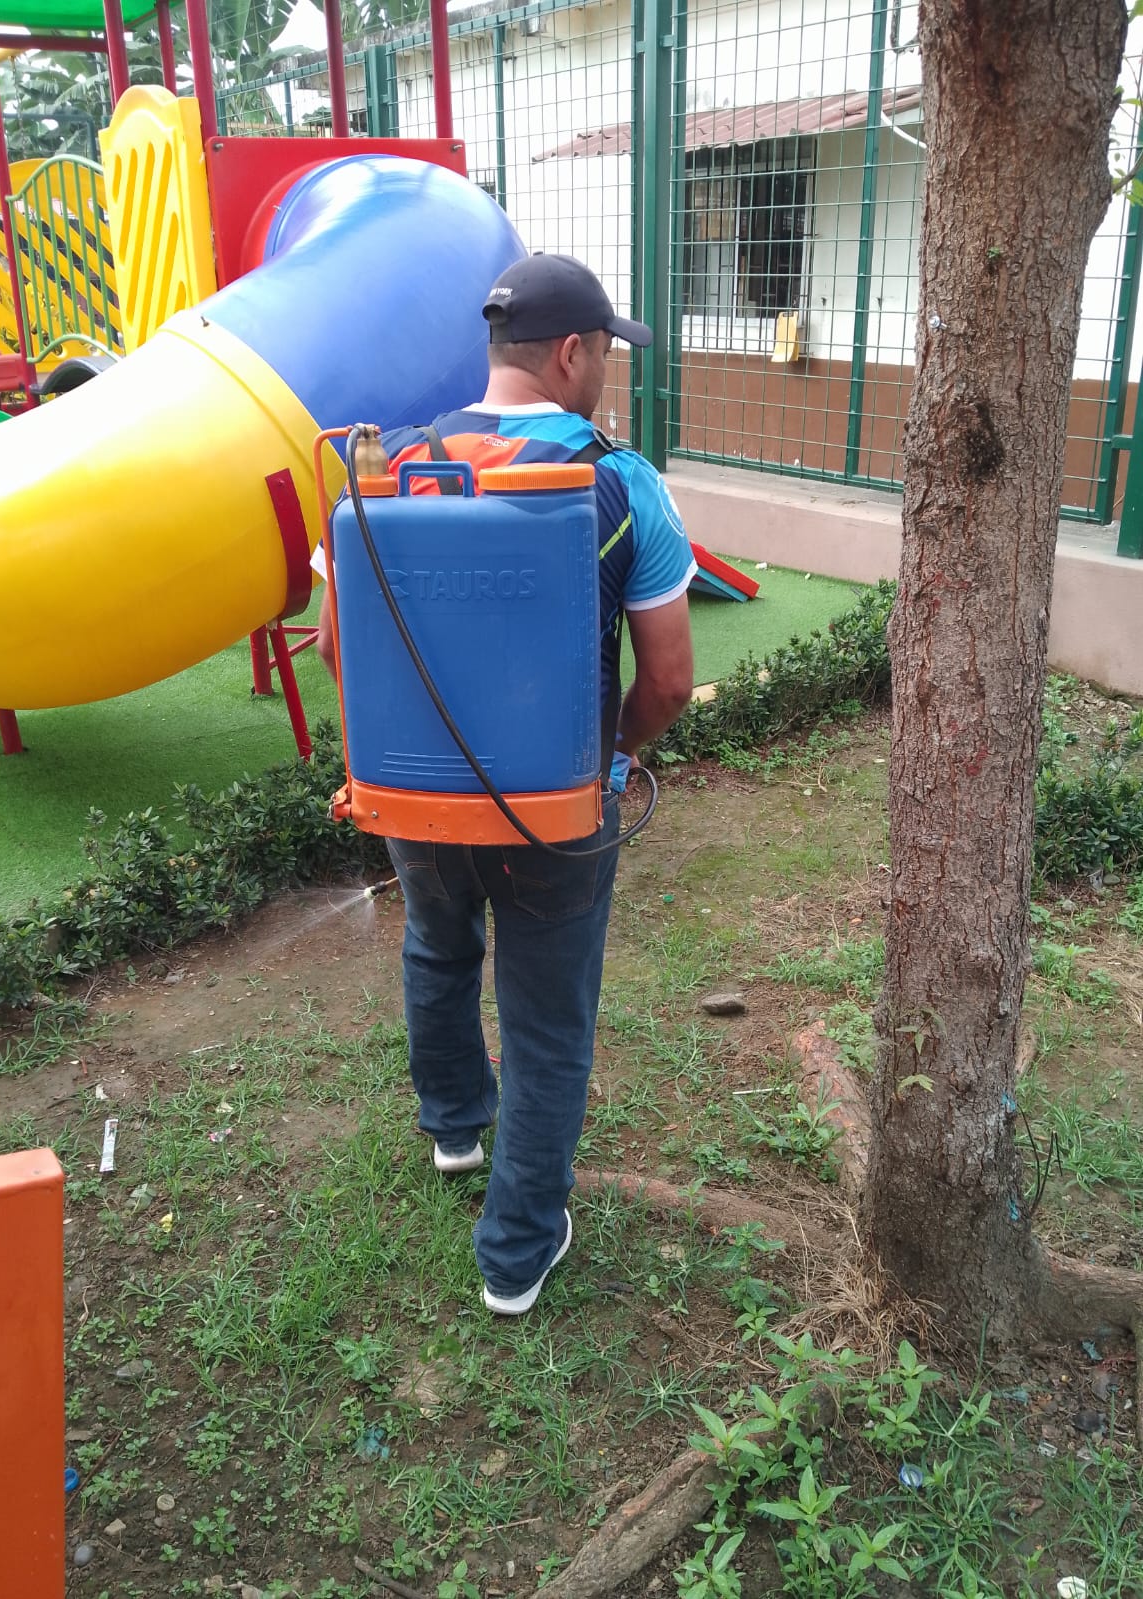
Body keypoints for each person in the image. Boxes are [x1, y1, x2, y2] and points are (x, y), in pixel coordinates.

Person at [316, 253, 695, 1314]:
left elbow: (340, 649)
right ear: (572, 354)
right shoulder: (621, 483)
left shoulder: (382, 468)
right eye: (606, 354)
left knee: (438, 950)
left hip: (416, 800)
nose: (608, 374)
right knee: (546, 1021)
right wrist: (613, 751)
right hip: (554, 813)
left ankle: (454, 1128)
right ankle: (519, 1249)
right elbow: (669, 680)